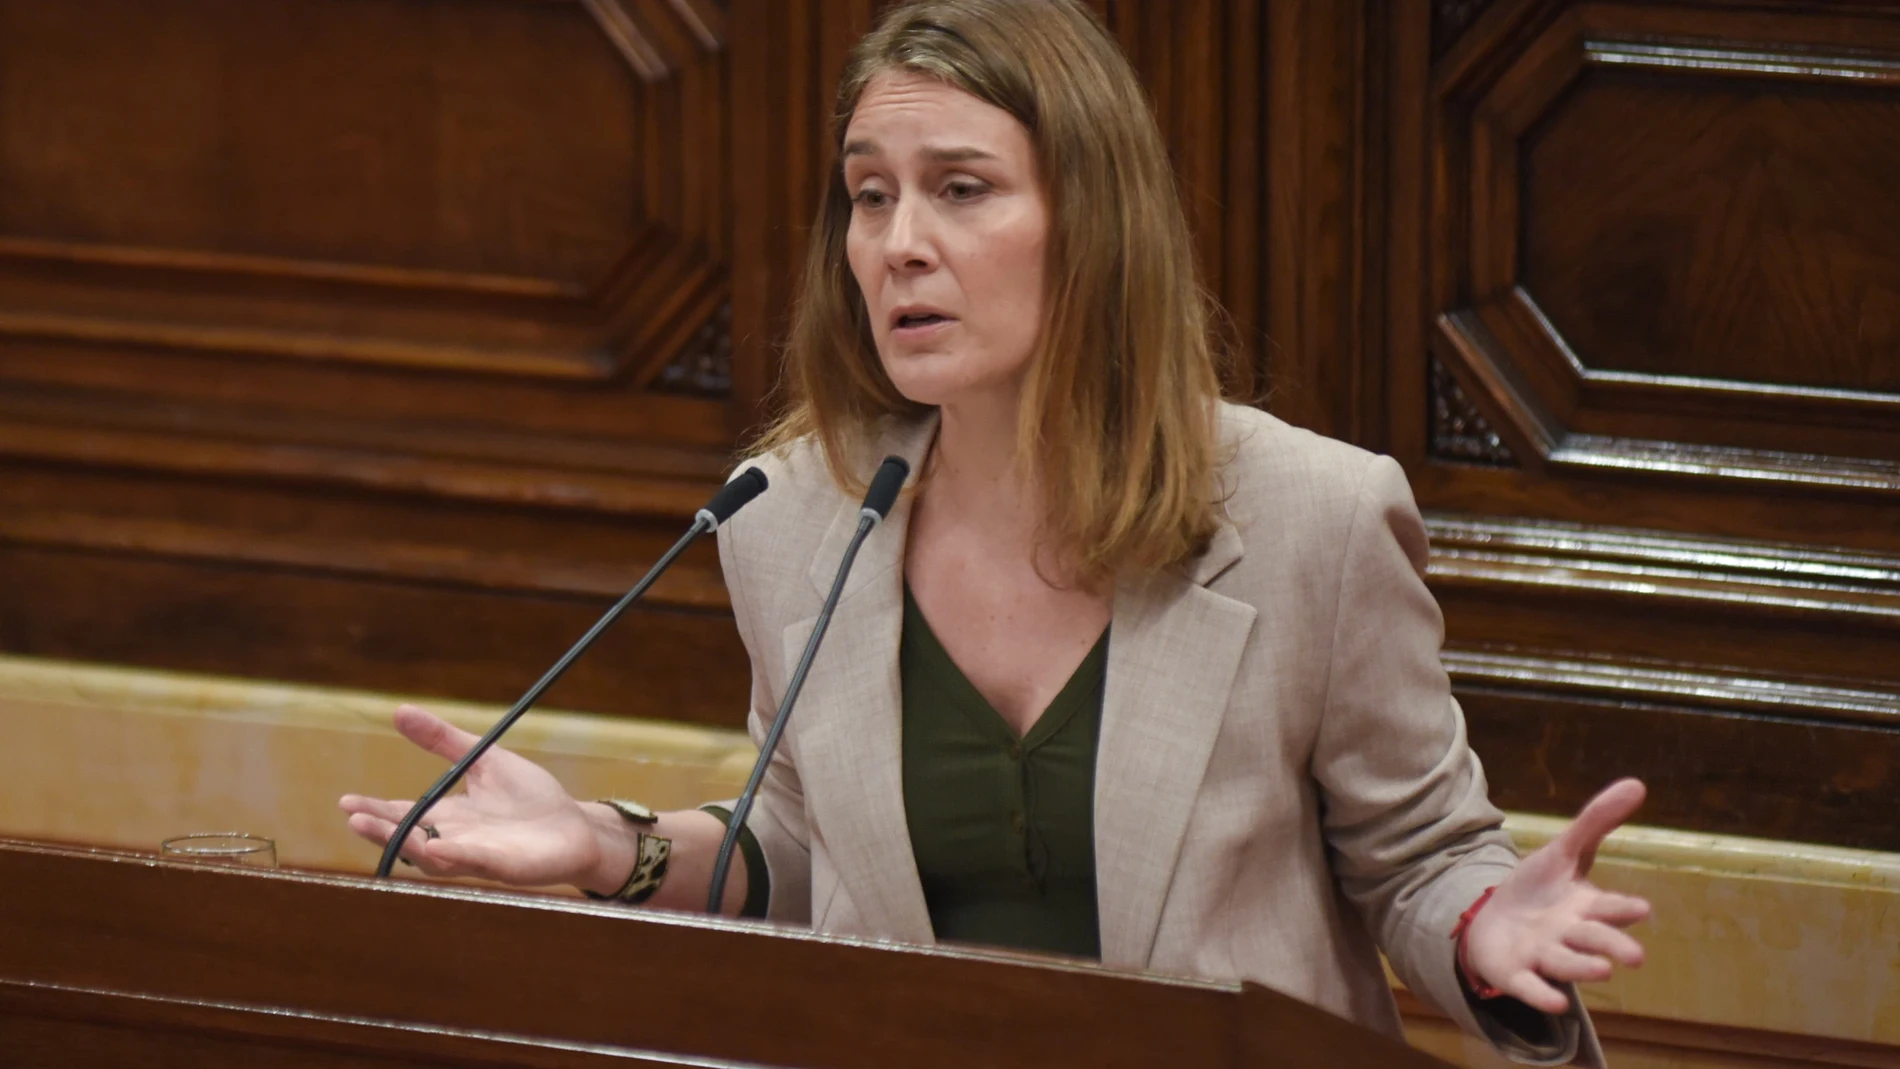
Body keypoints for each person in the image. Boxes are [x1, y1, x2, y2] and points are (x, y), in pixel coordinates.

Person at [340, 1, 1649, 1063]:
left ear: (1090, 221)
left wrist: (1483, 923)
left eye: (961, 189)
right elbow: (800, 852)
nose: (899, 245)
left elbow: (1416, 857)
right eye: (868, 196)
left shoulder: (1313, 515)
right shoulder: (790, 512)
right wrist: (606, 848)